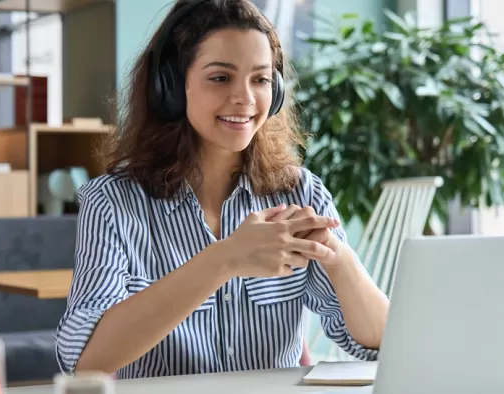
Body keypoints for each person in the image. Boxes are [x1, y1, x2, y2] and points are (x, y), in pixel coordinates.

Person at [54, 0, 389, 378]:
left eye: (260, 79)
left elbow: (382, 344)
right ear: (171, 87)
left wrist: (339, 258)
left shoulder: (301, 191)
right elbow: (84, 360)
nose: (245, 97)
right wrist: (225, 259)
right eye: (220, 78)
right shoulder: (113, 202)